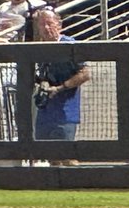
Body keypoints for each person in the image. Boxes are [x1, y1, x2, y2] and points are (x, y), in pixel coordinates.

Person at [31, 8, 90, 150]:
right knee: (45, 154)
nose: (46, 28)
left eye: (49, 23)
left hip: (65, 113)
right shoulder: (39, 49)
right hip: (44, 113)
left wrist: (59, 88)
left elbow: (85, 74)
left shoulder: (69, 45)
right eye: (42, 24)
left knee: (65, 156)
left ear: (59, 25)